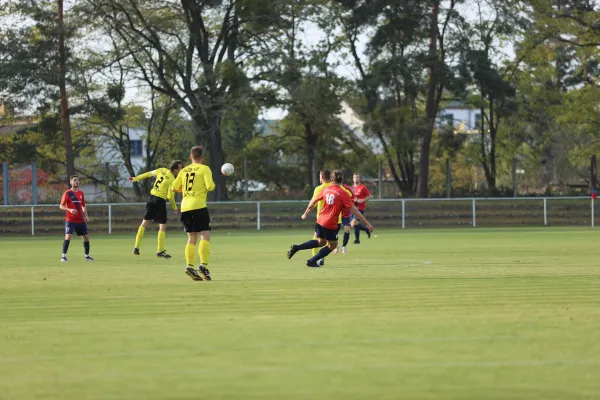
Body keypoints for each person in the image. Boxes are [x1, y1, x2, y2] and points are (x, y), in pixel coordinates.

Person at [287, 170, 374, 267]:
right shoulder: (343, 193)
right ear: (342, 179)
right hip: (331, 223)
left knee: (321, 242)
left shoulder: (326, 189)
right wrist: (367, 223)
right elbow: (355, 211)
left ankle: (297, 247)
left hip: (320, 221)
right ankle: (311, 261)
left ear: (332, 179)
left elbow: (313, 202)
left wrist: (306, 213)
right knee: (332, 245)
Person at [171, 146, 215, 281]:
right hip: (199, 206)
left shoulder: (183, 171)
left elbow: (174, 187)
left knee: (191, 237)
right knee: (205, 235)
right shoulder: (204, 169)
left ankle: (190, 266)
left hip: (185, 207)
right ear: (202, 157)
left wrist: (184, 189)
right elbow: (210, 186)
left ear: (191, 157)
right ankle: (203, 265)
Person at [129, 160, 183, 258]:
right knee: (162, 226)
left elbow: (149, 174)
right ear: (175, 170)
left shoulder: (161, 170)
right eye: (180, 168)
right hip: (159, 201)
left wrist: (136, 178)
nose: (181, 170)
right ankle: (160, 250)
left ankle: (136, 247)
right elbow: (170, 197)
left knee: (144, 223)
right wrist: (175, 208)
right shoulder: (172, 180)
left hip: (151, 198)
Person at [59, 175, 94, 262]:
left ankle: (87, 256)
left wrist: (86, 216)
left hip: (80, 220)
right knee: (68, 236)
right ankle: (63, 256)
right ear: (71, 182)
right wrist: (69, 209)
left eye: (78, 180)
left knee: (86, 237)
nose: (77, 181)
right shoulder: (67, 193)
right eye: (75, 180)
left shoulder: (81, 193)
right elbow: (61, 206)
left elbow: (83, 206)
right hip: (70, 220)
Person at [333, 181, 355, 255]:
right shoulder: (333, 188)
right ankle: (336, 246)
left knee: (347, 229)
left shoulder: (346, 188)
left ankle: (344, 246)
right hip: (336, 214)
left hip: (345, 214)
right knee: (334, 232)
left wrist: (347, 203)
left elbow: (353, 198)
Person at [351, 172, 372, 244]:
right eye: (354, 177)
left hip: (360, 208)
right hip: (352, 208)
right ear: (353, 179)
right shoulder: (351, 188)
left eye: (357, 177)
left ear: (359, 178)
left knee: (354, 224)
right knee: (354, 224)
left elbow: (369, 196)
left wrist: (362, 200)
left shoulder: (363, 187)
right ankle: (357, 239)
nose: (356, 178)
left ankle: (367, 229)